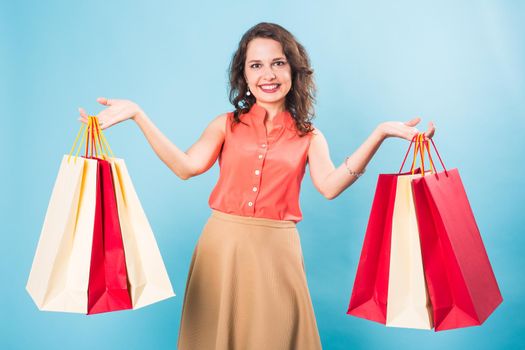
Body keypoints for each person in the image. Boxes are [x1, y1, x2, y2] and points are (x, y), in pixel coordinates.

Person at [79, 22, 435, 350]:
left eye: (278, 63)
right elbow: (186, 167)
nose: (268, 74)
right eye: (256, 65)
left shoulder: (309, 136)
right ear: (244, 75)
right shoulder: (225, 125)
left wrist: (380, 134)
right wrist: (139, 115)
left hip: (276, 253)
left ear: (294, 71)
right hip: (221, 248)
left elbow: (329, 186)